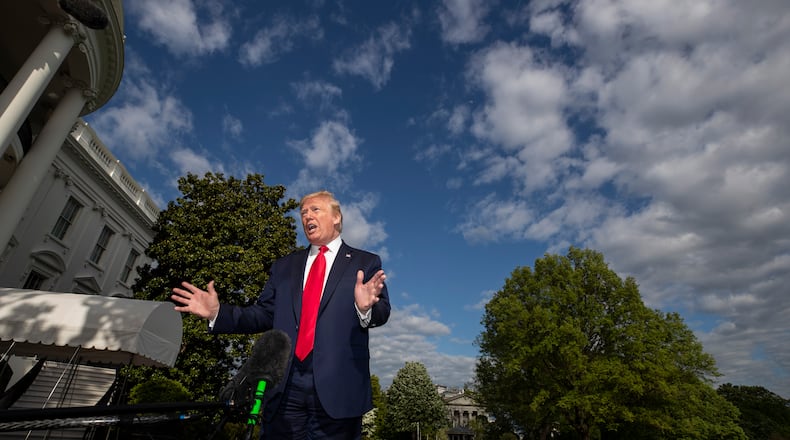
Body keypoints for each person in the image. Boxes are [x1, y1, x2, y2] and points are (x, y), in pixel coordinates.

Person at [171, 190, 390, 439]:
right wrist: (219, 313)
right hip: (286, 384)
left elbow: (382, 311)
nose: (307, 215)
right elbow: (263, 314)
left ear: (336, 217)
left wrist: (365, 308)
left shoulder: (365, 261)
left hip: (339, 386)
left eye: (315, 209)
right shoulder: (284, 266)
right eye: (303, 212)